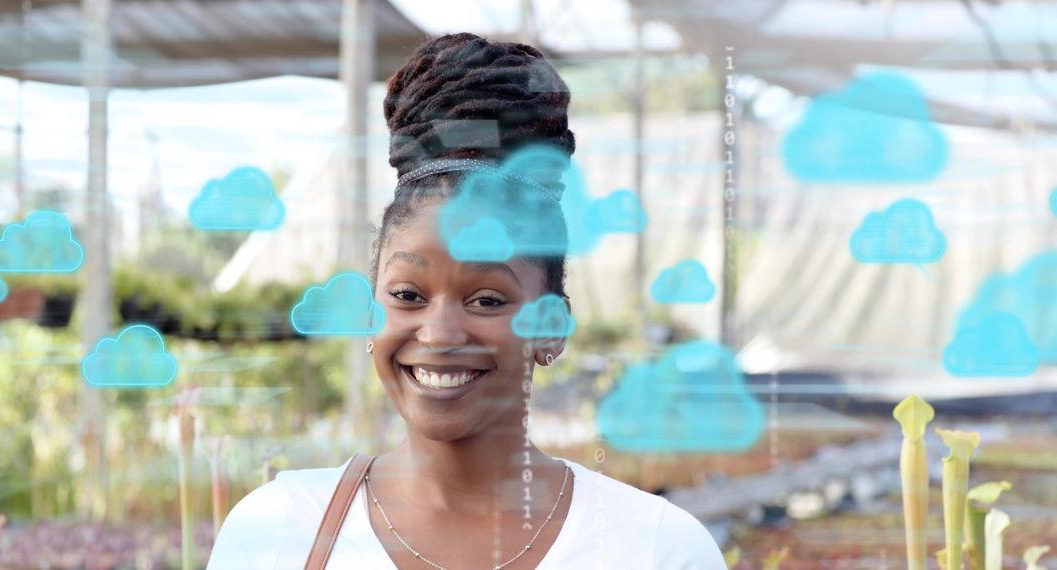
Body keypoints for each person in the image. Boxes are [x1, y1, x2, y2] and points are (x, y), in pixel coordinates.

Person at [207, 33, 727, 570]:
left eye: (485, 299)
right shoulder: (281, 532)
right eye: (407, 295)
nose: (439, 334)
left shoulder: (653, 548)